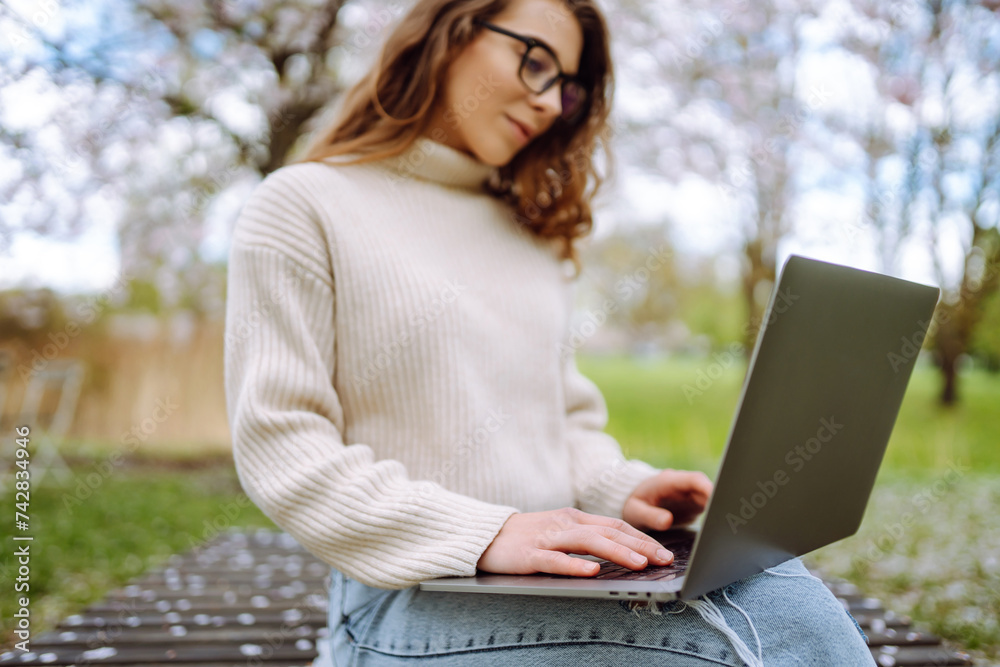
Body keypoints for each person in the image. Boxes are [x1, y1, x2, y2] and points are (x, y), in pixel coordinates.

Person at [222, 0, 876, 664]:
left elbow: (560, 423)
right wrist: (487, 531)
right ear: (447, 34)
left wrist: (618, 487)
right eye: (533, 60)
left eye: (564, 86)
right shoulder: (301, 206)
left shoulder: (530, 237)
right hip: (397, 599)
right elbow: (284, 446)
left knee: (773, 584)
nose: (545, 101)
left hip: (549, 575)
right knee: (774, 624)